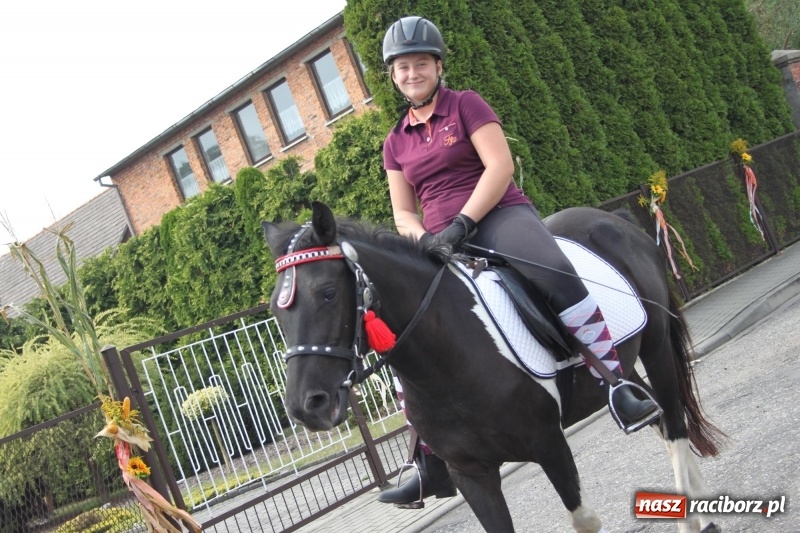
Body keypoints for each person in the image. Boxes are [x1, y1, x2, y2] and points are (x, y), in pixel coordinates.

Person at [377, 16, 661, 507]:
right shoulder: (394, 140)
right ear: (393, 75)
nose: (411, 73)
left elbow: (499, 165)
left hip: (498, 215)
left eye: (420, 63)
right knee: (414, 330)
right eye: (402, 67)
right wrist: (424, 239)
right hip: (438, 239)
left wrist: (463, 224)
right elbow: (403, 210)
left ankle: (616, 382)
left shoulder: (466, 105)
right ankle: (427, 460)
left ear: (438, 66)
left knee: (555, 273)